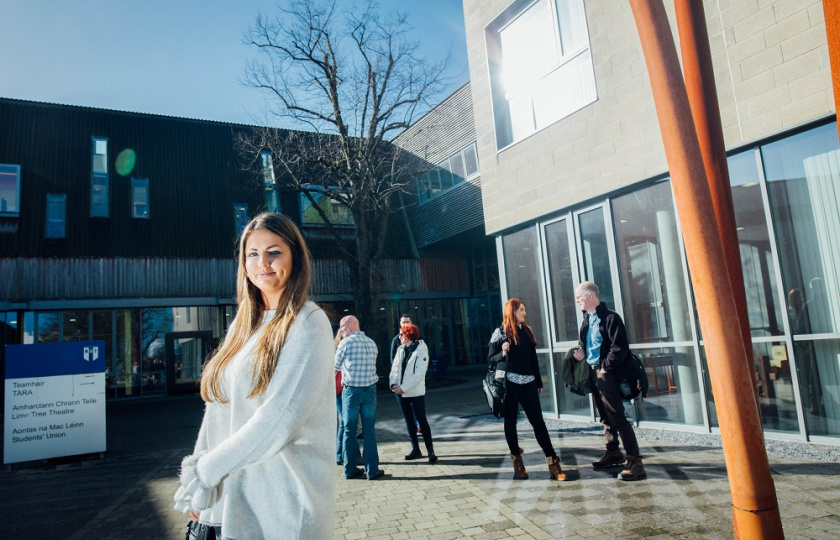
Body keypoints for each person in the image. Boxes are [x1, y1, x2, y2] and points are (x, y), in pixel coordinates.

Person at [173, 212, 335, 539]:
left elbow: (277, 420)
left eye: (274, 252)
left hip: (279, 510)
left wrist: (206, 472)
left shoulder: (309, 323)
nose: (263, 262)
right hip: (228, 505)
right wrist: (198, 477)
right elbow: (218, 409)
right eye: (253, 254)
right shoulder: (243, 325)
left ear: (295, 258)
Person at [573, 281, 646, 481]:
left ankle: (635, 463)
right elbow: (584, 344)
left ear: (590, 296)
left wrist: (605, 366)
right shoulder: (587, 320)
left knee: (618, 418)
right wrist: (580, 353)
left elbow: (619, 347)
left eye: (579, 297)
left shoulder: (611, 318)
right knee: (605, 417)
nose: (577, 301)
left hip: (607, 374)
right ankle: (613, 453)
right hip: (593, 373)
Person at [488, 298, 566, 481]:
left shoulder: (527, 331)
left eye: (524, 309)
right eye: (522, 309)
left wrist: (538, 382)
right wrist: (503, 353)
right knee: (511, 422)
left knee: (538, 422)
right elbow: (490, 358)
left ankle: (552, 462)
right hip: (509, 384)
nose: (525, 313)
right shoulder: (500, 333)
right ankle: (517, 461)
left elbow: (533, 359)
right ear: (513, 311)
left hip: (528, 383)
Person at [335, 314, 384, 480]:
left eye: (342, 326)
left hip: (351, 392)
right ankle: (372, 470)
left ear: (350, 324)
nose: (341, 330)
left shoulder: (345, 343)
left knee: (349, 430)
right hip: (369, 390)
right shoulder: (371, 343)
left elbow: (335, 365)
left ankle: (350, 470)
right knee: (369, 431)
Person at [389, 323, 438, 463]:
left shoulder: (421, 350)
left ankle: (430, 450)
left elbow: (419, 374)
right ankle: (415, 449)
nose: (399, 337)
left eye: (402, 334)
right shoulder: (400, 349)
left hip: (415, 392)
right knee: (409, 421)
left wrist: (403, 387)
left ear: (409, 335)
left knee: (421, 420)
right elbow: (394, 369)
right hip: (400, 392)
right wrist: (393, 384)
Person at [391, 313, 419, 432]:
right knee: (407, 407)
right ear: (400, 324)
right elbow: (393, 360)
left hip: (414, 379)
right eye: (403, 322)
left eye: (408, 321)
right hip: (401, 380)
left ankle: (418, 426)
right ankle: (413, 428)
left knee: (417, 405)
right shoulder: (396, 340)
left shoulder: (418, 339)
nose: (406, 324)